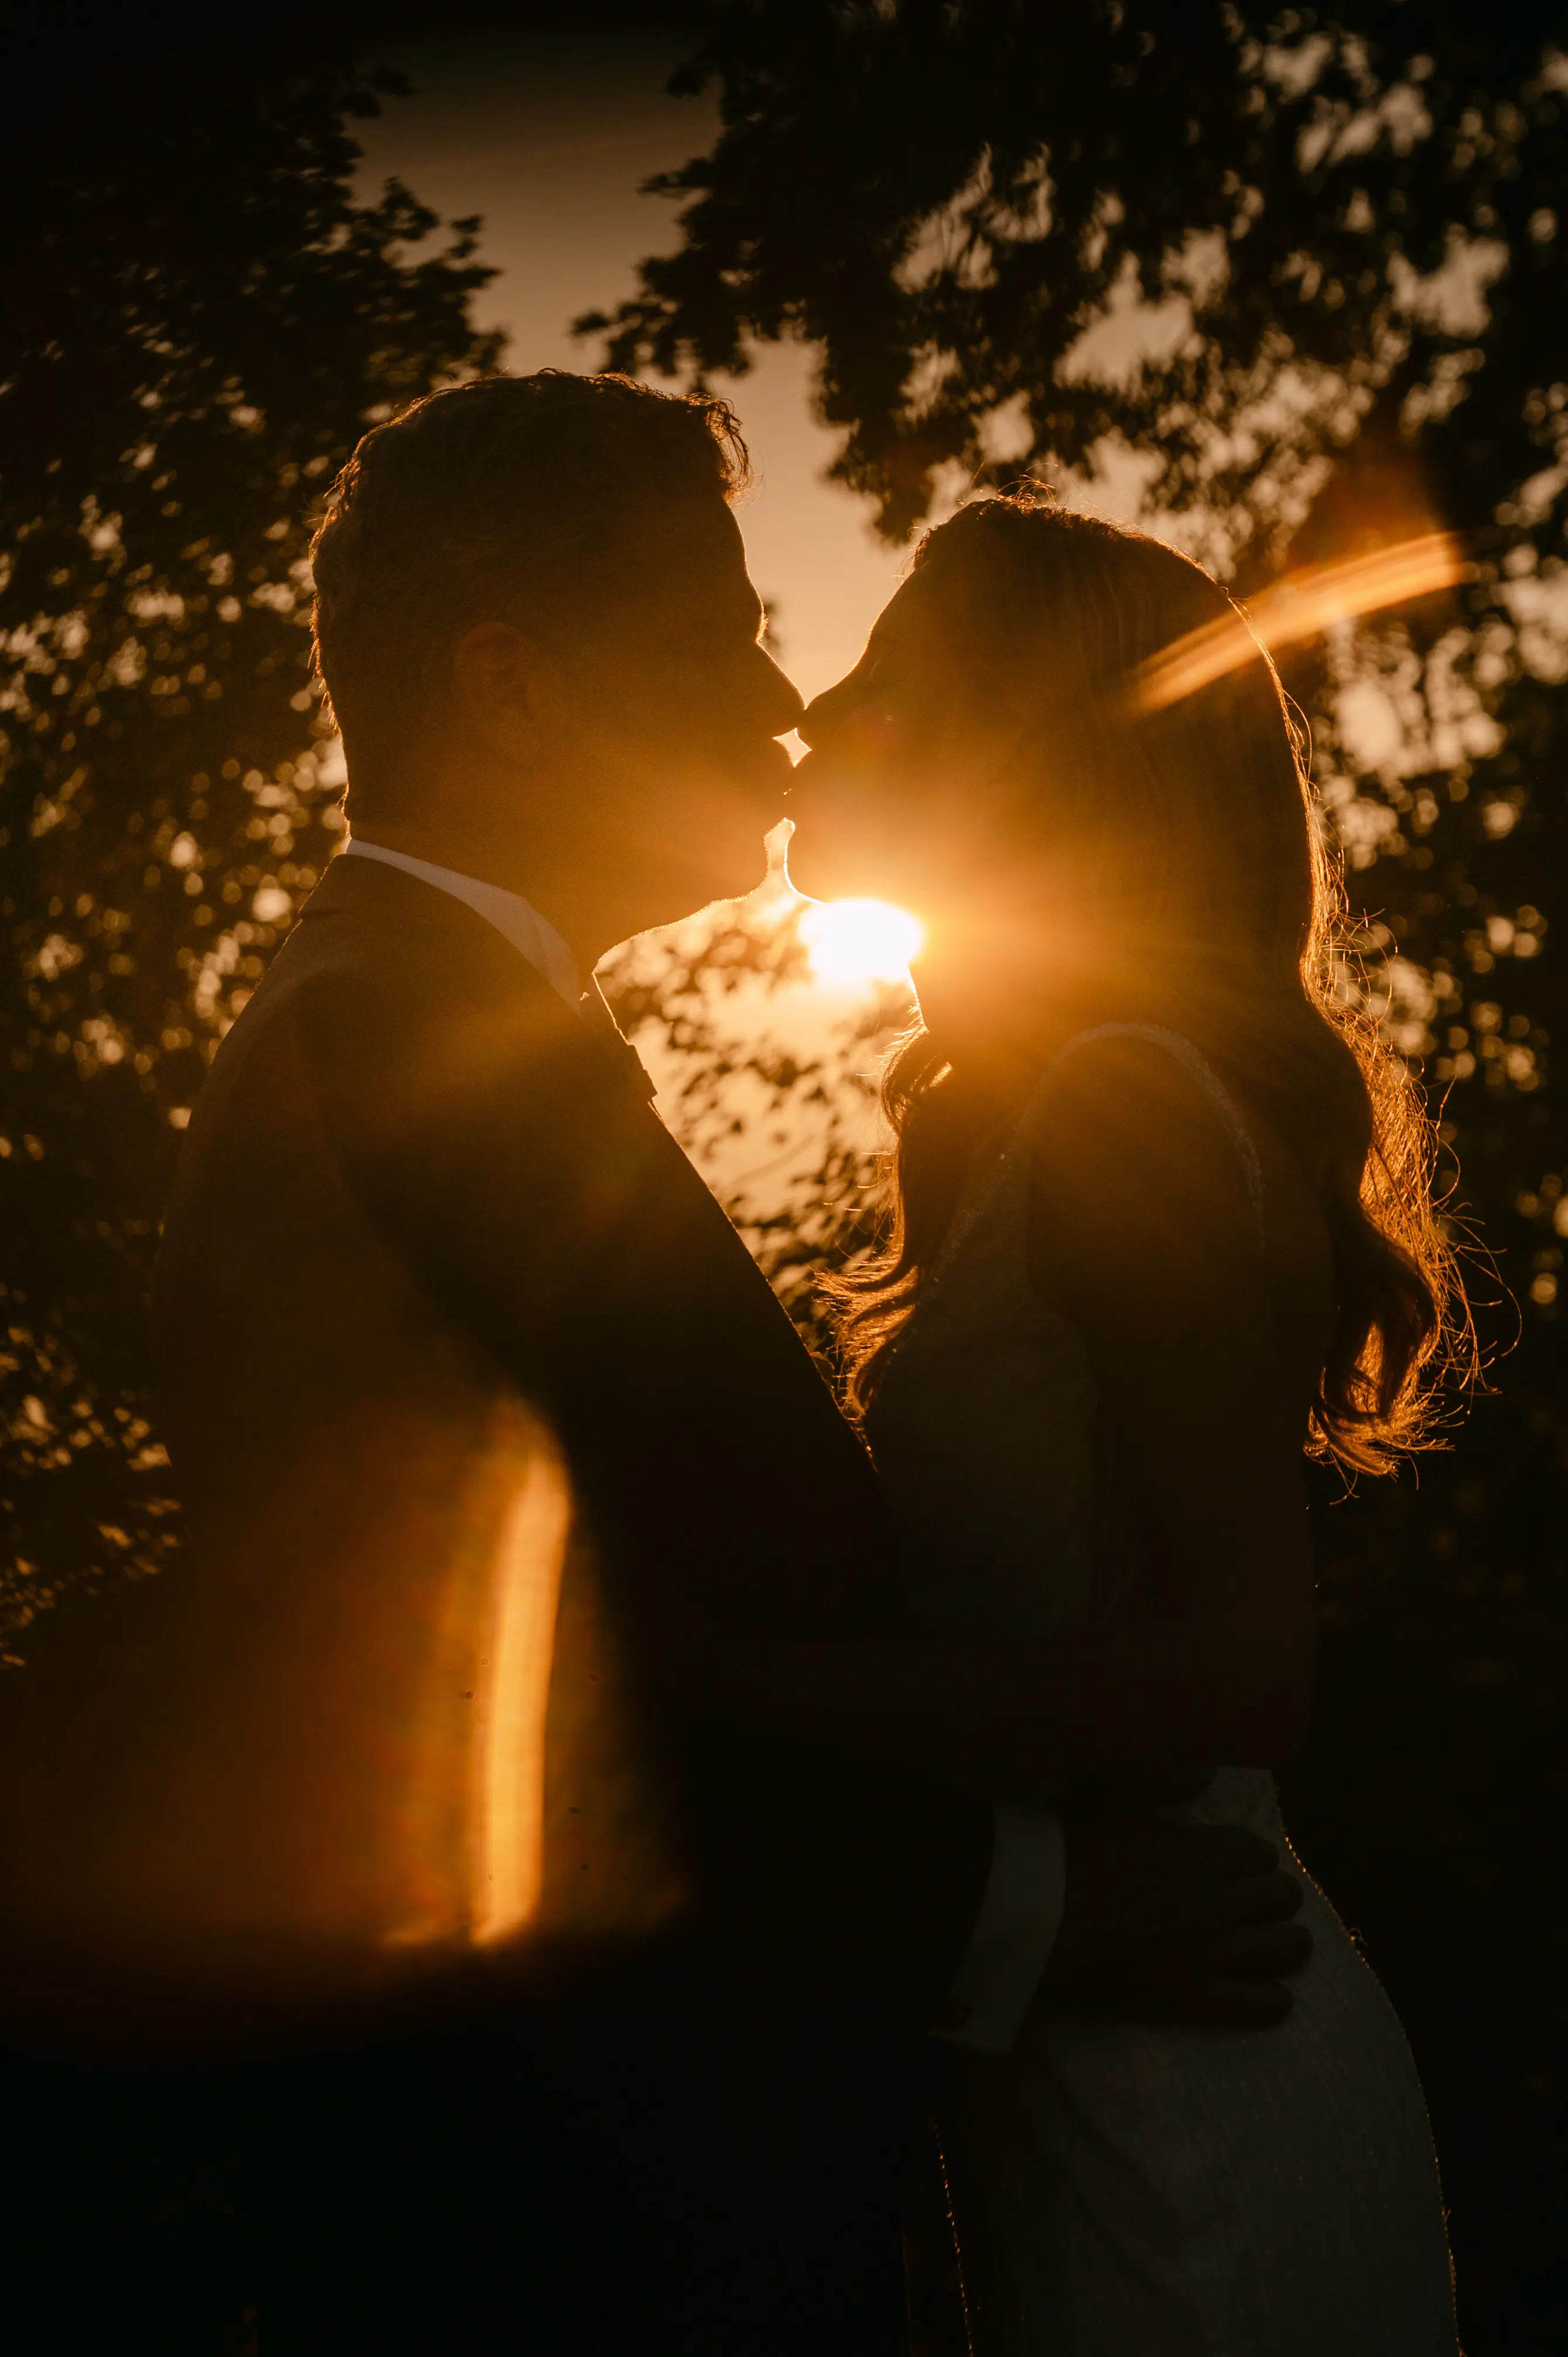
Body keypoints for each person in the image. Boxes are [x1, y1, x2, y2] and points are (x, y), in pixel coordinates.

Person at [2, 380, 1306, 2355]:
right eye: (720, 631)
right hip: (561, 2233)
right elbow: (495, 1712)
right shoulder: (394, 1044)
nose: (779, 704)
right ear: (509, 688)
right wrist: (1018, 1911)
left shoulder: (447, 1025)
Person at [741, 489, 1465, 2351]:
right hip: (1083, 2040)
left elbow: (1243, 1673)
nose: (815, 705)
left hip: (1194, 2084)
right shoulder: (1008, 1113)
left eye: (890, 672)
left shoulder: (1127, 1105)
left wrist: (733, 1696)